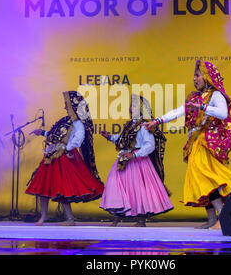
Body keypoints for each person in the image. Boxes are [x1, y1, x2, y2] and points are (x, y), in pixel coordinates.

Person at [144, 61, 231, 229]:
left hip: (207, 142)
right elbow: (178, 111)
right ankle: (211, 219)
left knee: (205, 178)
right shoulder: (194, 97)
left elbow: (223, 113)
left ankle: (222, 217)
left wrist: (203, 106)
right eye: (194, 75)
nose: (194, 79)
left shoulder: (216, 95)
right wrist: (157, 121)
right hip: (196, 143)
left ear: (207, 76)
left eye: (197, 75)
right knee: (199, 180)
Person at [26, 91, 104, 226]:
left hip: (63, 158)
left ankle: (70, 219)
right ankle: (43, 217)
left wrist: (67, 149)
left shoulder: (78, 123)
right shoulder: (65, 121)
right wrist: (43, 133)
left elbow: (78, 139)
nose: (65, 107)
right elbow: (55, 135)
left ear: (73, 106)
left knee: (62, 188)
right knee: (42, 186)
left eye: (67, 105)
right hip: (51, 156)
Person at [99, 94, 173, 227]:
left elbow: (149, 145)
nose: (130, 108)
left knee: (139, 191)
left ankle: (141, 220)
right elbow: (123, 140)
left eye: (133, 106)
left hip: (138, 161)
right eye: (131, 105)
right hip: (125, 159)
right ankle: (116, 218)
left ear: (141, 109)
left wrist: (135, 155)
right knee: (117, 186)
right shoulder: (130, 125)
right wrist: (110, 137)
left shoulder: (145, 126)